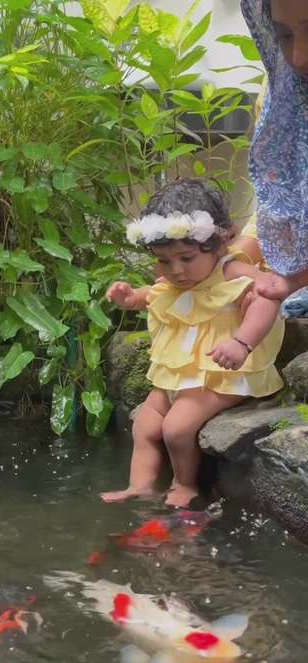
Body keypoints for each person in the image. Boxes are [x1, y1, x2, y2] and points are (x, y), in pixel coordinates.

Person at [101, 179, 284, 507]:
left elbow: (267, 296)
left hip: (222, 374)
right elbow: (155, 295)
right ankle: (139, 486)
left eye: (186, 258)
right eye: (164, 261)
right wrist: (130, 298)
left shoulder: (232, 270)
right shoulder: (173, 277)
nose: (176, 270)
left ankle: (184, 485)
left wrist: (242, 342)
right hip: (180, 374)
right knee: (145, 423)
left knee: (176, 428)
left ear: (219, 244)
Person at [240, 0, 308, 303]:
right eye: (284, 36)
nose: (299, 56)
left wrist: (293, 282)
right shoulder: (282, 96)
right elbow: (280, 204)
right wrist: (222, 260)